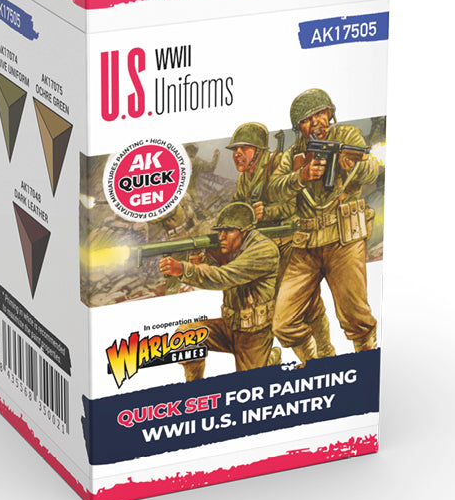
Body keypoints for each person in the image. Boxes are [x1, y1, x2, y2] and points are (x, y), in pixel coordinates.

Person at [269, 89, 381, 364]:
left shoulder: (347, 136)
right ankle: (316, 362)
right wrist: (301, 176)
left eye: (321, 114)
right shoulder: (294, 154)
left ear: (330, 113)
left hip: (344, 240)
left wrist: (352, 166)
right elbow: (274, 189)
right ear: (299, 126)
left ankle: (367, 365)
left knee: (356, 316)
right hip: (306, 245)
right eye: (308, 119)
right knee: (283, 323)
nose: (318, 122)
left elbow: (371, 171)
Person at [226, 122, 336, 358]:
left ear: (258, 151)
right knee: (281, 307)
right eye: (235, 149)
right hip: (265, 249)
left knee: (304, 303)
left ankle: (324, 353)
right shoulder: (244, 179)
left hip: (290, 244)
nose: (237, 154)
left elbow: (293, 205)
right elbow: (237, 206)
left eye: (244, 148)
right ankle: (312, 358)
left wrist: (265, 212)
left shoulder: (278, 164)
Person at [158, 202, 279, 379]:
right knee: (186, 335)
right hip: (230, 326)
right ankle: (195, 388)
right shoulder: (234, 247)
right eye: (220, 230)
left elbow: (225, 276)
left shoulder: (264, 250)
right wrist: (202, 263)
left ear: (245, 231)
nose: (221, 236)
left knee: (247, 389)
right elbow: (220, 268)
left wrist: (185, 269)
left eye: (228, 231)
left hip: (254, 334)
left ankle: (269, 360)